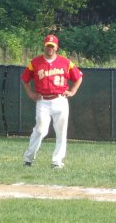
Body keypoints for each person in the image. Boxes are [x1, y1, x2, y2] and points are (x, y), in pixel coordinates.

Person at [21, 34, 83, 168]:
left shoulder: (65, 62)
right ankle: (28, 159)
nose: (50, 49)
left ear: (56, 48)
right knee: (40, 130)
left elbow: (78, 77)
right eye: (48, 46)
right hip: (43, 101)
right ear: (44, 46)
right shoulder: (35, 63)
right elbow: (25, 79)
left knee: (61, 132)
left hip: (60, 100)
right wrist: (30, 93)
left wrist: (72, 91)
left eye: (52, 46)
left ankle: (57, 161)